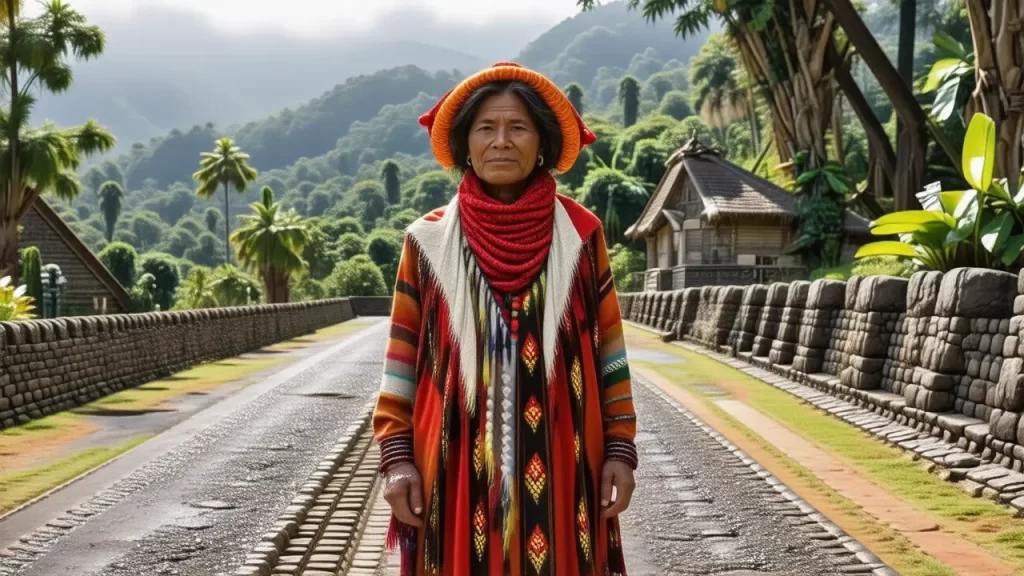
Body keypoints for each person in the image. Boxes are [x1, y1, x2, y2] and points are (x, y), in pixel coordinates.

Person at [373, 61, 638, 576]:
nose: (501, 142)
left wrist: (621, 450)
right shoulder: (424, 242)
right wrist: (398, 457)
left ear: (541, 142)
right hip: (449, 466)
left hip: (567, 464)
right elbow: (401, 361)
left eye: (518, 128)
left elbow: (611, 353)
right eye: (486, 128)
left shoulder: (581, 235)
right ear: (465, 143)